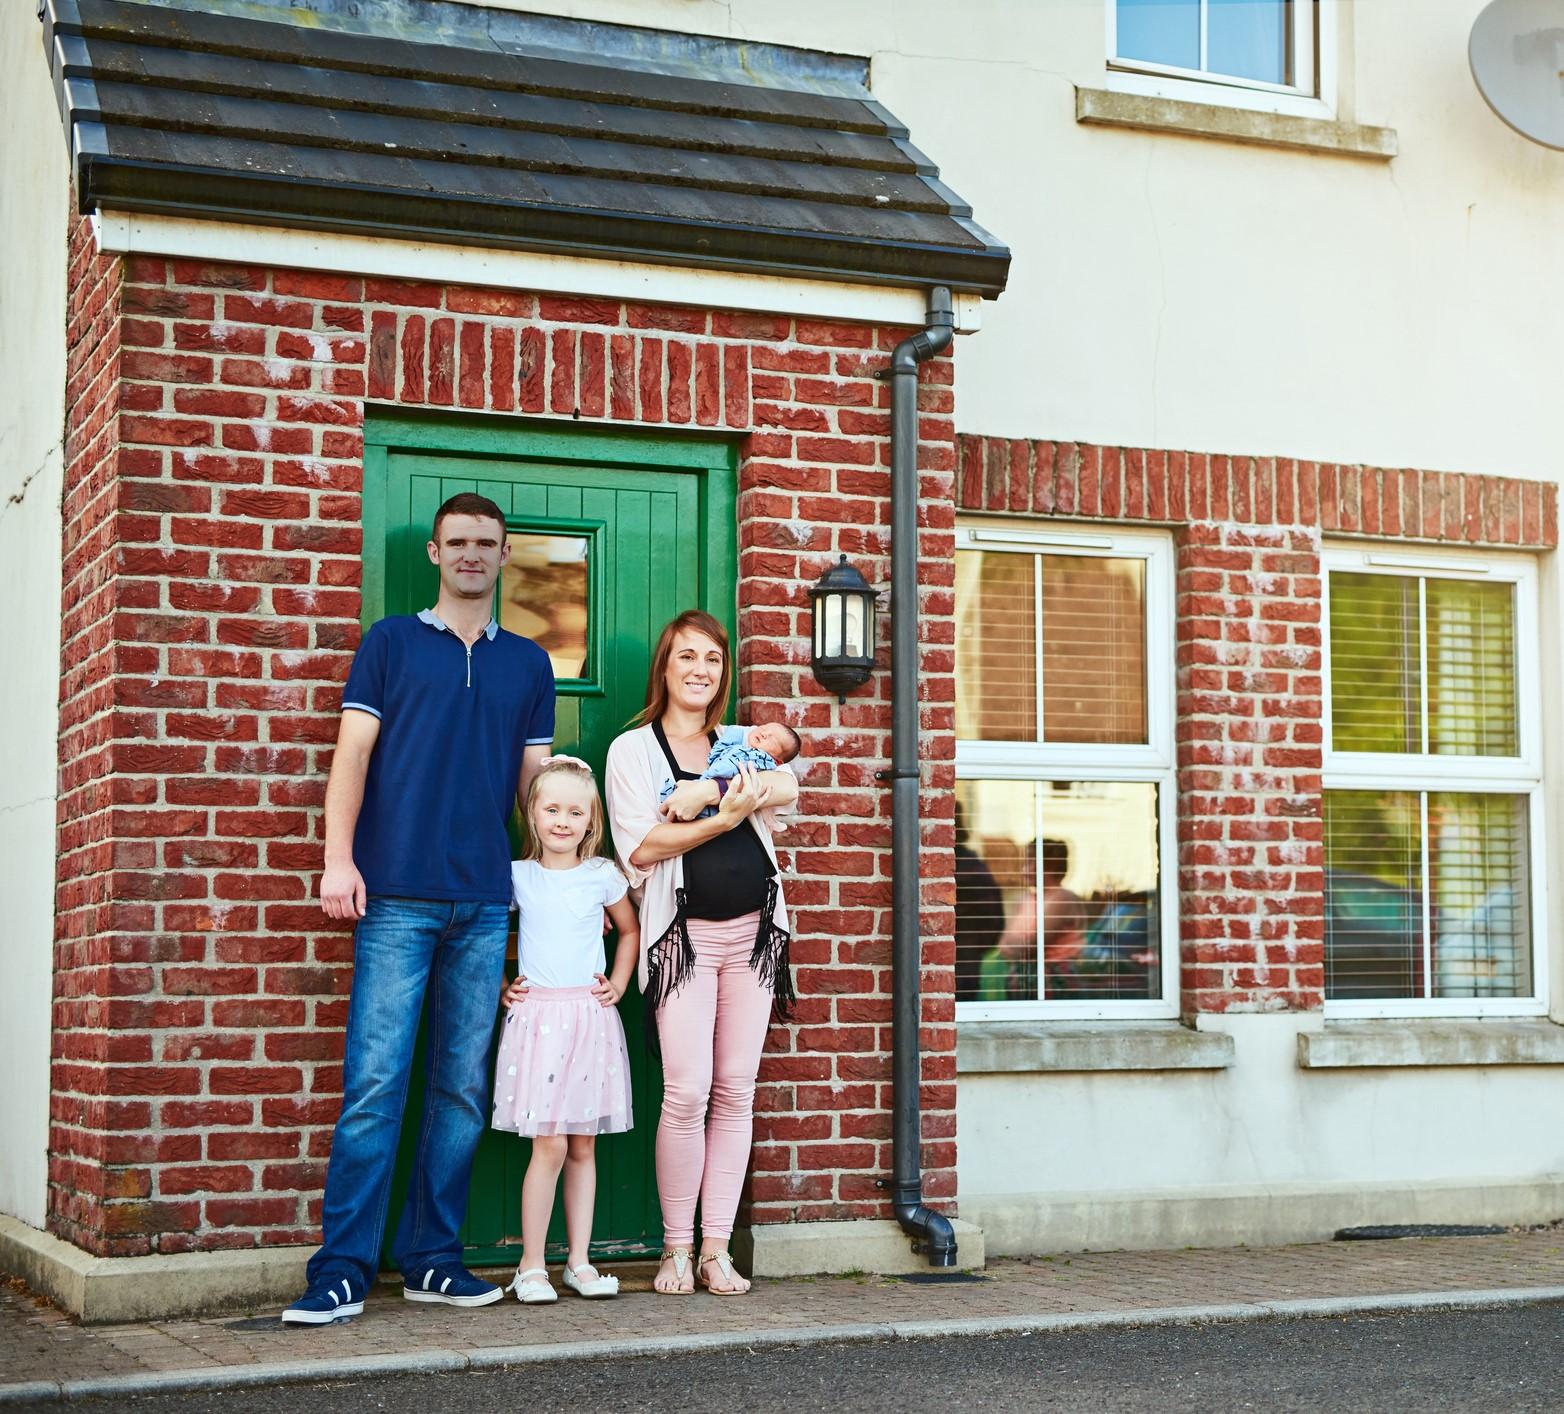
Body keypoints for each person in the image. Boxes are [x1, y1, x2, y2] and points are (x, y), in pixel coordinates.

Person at [282, 492, 555, 1326]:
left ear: (505, 557)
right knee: (373, 1086)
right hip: (395, 894)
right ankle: (341, 1271)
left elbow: (536, 789)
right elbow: (351, 756)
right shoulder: (392, 642)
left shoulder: (528, 663)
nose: (473, 554)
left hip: (482, 900)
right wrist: (338, 860)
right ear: (435, 553)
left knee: (461, 1092)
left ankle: (434, 1258)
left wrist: (554, 893)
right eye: (458, 542)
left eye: (488, 543)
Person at [604, 610, 800, 1296]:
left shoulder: (741, 740)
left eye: (712, 659)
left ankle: (717, 1249)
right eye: (687, 656)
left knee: (735, 1090)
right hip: (681, 940)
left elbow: (788, 785)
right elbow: (642, 847)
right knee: (686, 1092)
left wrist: (706, 796)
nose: (699, 669)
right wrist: (725, 813)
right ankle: (675, 1249)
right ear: (666, 665)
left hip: (756, 936)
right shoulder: (633, 750)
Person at [491, 755, 640, 1304]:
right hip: (539, 1020)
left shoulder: (602, 875)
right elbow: (495, 934)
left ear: (591, 820)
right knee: (548, 1145)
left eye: (575, 812)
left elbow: (628, 930)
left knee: (583, 1146)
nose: (562, 820)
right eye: (551, 809)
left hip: (588, 1018)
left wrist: (619, 984)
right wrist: (502, 982)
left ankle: (579, 1262)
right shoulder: (518, 875)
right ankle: (531, 1265)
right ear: (533, 815)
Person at [983, 839, 1088, 1001]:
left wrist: (1018, 946)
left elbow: (1033, 945)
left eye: (1030, 861)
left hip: (1052, 983)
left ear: (1050, 866)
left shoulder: (1062, 898)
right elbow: (1004, 944)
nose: (1024, 869)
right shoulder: (1028, 898)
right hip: (1026, 980)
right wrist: (1017, 946)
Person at [658, 720, 802, 820]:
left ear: (777, 761)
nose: (765, 733)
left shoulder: (763, 762)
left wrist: (707, 789)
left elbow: (789, 790)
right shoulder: (734, 738)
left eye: (773, 739)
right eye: (764, 727)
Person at [953, 802, 1004, 1002]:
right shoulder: (972, 866)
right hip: (967, 957)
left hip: (964, 960)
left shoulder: (969, 867)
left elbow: (993, 918)